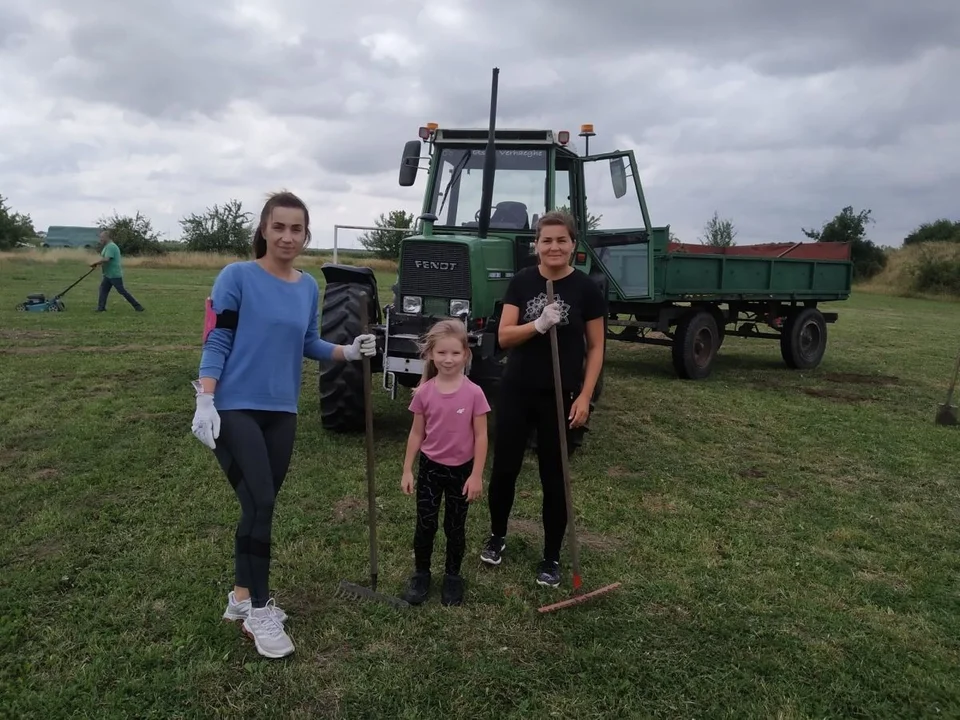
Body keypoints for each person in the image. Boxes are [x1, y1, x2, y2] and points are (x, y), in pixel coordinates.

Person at [190, 190, 376, 659]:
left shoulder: (308, 286)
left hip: (282, 411)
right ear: (264, 230)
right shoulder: (237, 276)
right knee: (262, 502)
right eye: (279, 227)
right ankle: (259, 610)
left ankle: (239, 598)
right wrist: (206, 399)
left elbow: (309, 342)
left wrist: (348, 351)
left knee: (257, 505)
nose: (288, 236)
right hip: (234, 406)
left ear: (306, 234)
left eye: (297, 229)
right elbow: (218, 339)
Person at [479, 210, 606, 588]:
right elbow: (503, 337)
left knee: (555, 476)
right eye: (546, 240)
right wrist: (537, 325)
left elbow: (597, 348)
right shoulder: (522, 282)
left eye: (561, 240)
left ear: (573, 246)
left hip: (561, 394)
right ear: (536, 246)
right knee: (505, 470)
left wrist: (584, 396)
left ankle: (551, 556)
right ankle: (497, 535)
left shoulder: (586, 289)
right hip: (517, 389)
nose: (554, 247)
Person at [400, 319, 490, 606]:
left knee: (455, 526)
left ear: (466, 354)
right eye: (441, 353)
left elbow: (481, 436)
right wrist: (407, 470)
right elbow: (416, 433)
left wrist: (476, 475)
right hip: (430, 469)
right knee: (425, 525)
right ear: (430, 355)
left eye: (454, 353)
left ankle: (452, 576)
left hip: (461, 472)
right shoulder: (424, 393)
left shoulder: (474, 393)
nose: (448, 359)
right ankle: (422, 573)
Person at [90, 229, 144, 312]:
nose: (100, 239)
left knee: (122, 291)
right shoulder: (107, 247)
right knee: (103, 289)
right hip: (108, 274)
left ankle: (138, 306)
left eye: (101, 238)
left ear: (106, 237)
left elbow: (107, 259)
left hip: (114, 274)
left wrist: (96, 263)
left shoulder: (111, 246)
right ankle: (101, 307)